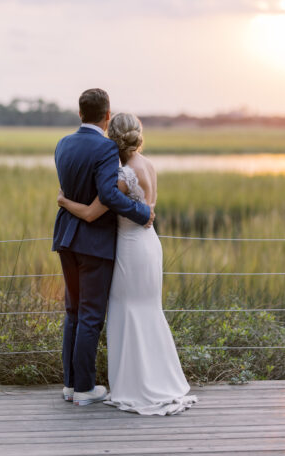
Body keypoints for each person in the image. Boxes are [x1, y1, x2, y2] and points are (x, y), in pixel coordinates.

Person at [57, 111, 198, 415]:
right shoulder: (148, 165)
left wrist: (65, 202)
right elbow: (147, 209)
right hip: (149, 245)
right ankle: (159, 379)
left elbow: (93, 213)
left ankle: (133, 385)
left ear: (112, 138)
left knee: (126, 311)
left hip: (130, 250)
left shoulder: (123, 177)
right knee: (147, 310)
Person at [53, 89, 155, 407]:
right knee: (90, 317)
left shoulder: (63, 144)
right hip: (94, 243)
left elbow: (71, 188)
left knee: (73, 313)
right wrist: (142, 213)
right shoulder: (107, 148)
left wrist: (65, 201)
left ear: (80, 113)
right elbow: (108, 195)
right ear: (106, 114)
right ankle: (85, 388)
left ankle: (70, 385)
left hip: (66, 237)